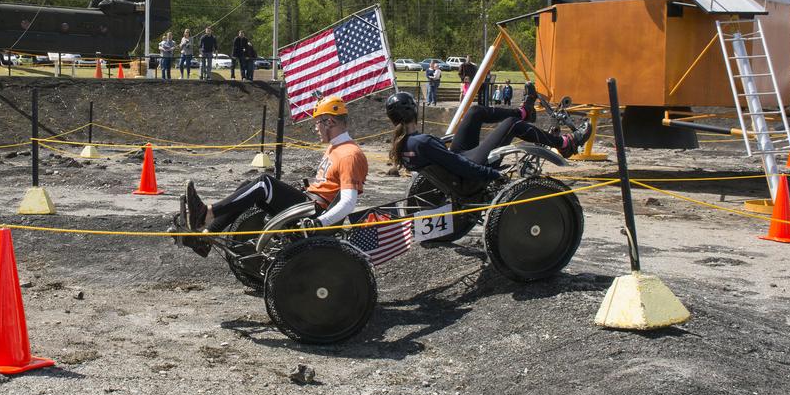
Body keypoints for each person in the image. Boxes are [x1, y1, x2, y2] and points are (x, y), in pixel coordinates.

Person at [175, 96, 368, 257]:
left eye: (317, 123)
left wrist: (319, 223)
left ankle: (205, 213)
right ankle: (206, 237)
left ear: (330, 121)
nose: (316, 128)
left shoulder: (349, 154)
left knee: (263, 184)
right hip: (310, 204)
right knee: (247, 185)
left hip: (314, 213)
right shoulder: (336, 148)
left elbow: (348, 202)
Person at [384, 87, 592, 181]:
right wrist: (495, 175)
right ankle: (564, 144)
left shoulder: (404, 144)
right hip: (468, 170)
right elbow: (460, 165)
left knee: (475, 112)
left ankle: (524, 112)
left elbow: (442, 155)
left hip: (454, 167)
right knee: (512, 124)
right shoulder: (422, 142)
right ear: (414, 110)